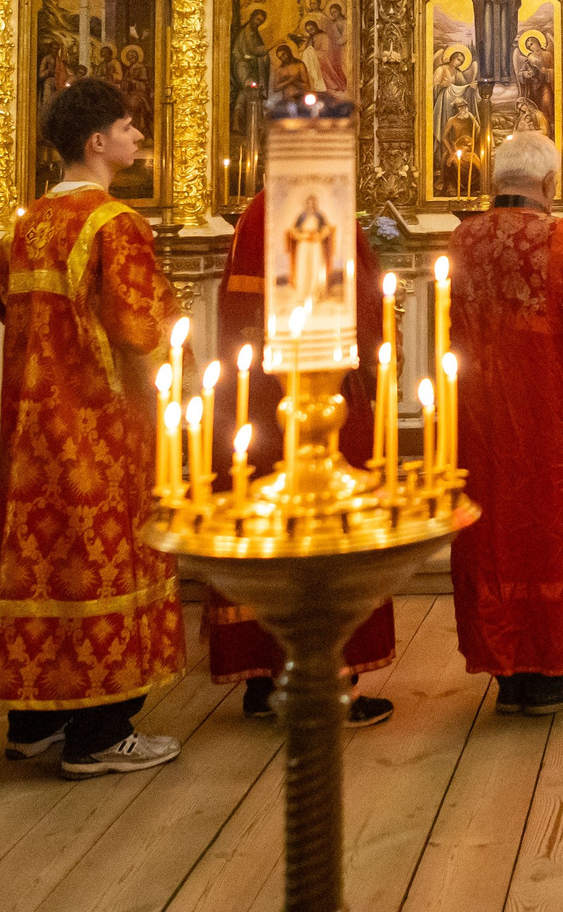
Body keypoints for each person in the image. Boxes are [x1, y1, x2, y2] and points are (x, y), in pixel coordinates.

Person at [0, 79, 186, 778]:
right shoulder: (113, 223)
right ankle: (101, 733)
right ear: (97, 141)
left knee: (47, 560)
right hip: (100, 424)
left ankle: (35, 720)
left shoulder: (27, 220)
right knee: (103, 561)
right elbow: (139, 327)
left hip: (33, 426)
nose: (137, 139)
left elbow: (1, 303)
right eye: (130, 128)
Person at [447, 132, 563, 714]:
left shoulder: (462, 239)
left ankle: (508, 673)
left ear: (495, 181)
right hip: (548, 417)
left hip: (478, 419)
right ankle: (548, 669)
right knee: (551, 528)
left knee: (492, 533)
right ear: (549, 185)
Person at [206, 186, 396, 726]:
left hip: (261, 399)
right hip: (320, 391)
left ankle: (265, 681)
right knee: (327, 521)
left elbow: (241, 307)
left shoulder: (257, 209)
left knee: (269, 522)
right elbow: (352, 302)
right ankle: (331, 680)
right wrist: (375, 364)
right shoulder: (314, 201)